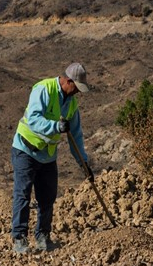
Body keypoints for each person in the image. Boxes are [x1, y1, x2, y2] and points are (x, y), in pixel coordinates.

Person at [11, 62, 93, 254]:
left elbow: (76, 137)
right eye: (76, 88)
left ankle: (43, 236)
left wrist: (84, 163)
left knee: (47, 197)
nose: (77, 93)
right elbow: (33, 118)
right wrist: (56, 126)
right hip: (26, 149)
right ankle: (19, 238)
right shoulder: (43, 89)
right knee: (23, 194)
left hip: (47, 155)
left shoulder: (72, 104)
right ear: (68, 81)